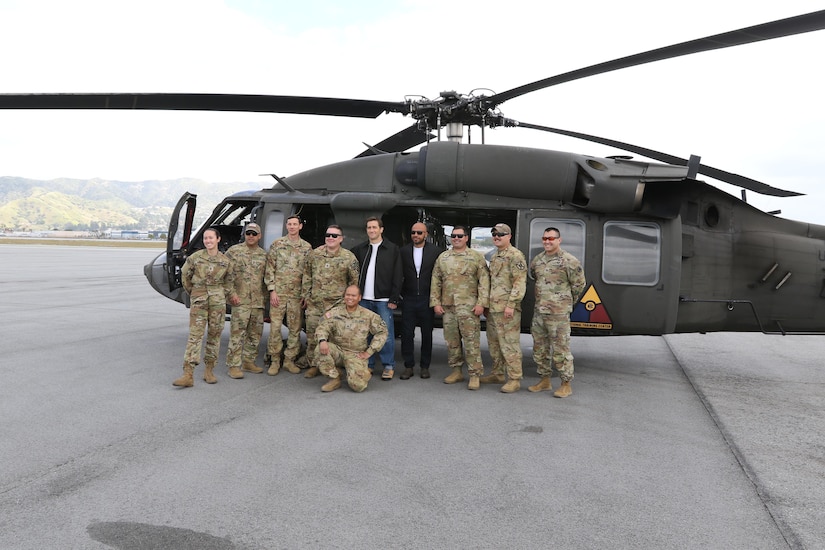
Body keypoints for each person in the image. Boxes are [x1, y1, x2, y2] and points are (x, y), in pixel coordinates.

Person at [173, 227, 237, 388]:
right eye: (205, 238)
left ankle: (209, 370)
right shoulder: (195, 258)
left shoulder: (225, 261)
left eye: (211, 238)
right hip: (199, 301)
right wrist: (195, 293)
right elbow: (185, 277)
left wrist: (226, 295)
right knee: (195, 336)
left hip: (217, 302)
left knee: (215, 335)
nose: (208, 241)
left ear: (218, 239)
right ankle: (188, 374)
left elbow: (228, 283)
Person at [529, 227, 586, 398]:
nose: (547, 241)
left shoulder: (569, 261)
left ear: (559, 240)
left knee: (561, 350)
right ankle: (544, 380)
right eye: (545, 238)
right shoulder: (538, 260)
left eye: (551, 238)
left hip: (558, 314)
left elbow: (579, 285)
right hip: (539, 312)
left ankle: (565, 384)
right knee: (540, 348)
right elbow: (535, 278)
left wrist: (564, 303)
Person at [430, 225, 489, 390]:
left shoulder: (476, 257)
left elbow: (484, 281)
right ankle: (456, 371)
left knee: (471, 342)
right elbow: (436, 280)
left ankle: (474, 374)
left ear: (466, 238)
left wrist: (481, 303)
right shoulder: (443, 257)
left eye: (460, 236)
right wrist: (435, 302)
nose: (456, 238)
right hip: (448, 307)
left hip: (469, 307)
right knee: (452, 341)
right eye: (454, 236)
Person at [301, 224, 360, 378]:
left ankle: (333, 368)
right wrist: (306, 295)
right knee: (313, 335)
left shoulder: (349, 258)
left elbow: (353, 283)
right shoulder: (315, 254)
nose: (330, 238)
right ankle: (314, 364)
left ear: (341, 239)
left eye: (334, 236)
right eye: (328, 235)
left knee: (335, 339)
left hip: (336, 305)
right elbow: (307, 276)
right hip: (315, 304)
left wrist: (350, 303)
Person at [350, 216, 402, 380]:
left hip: (383, 300)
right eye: (369, 228)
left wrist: (394, 298)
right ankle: (368, 364)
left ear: (381, 229)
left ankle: (388, 365)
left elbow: (398, 275)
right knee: (365, 334)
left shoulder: (392, 249)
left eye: (374, 227)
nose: (371, 230)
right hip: (363, 299)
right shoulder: (360, 249)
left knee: (385, 334)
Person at [480, 223, 527, 393]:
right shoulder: (494, 256)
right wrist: (486, 304)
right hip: (493, 309)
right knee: (494, 343)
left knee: (510, 344)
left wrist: (511, 305)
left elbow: (519, 282)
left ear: (509, 236)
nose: (497, 236)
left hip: (507, 310)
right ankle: (497, 373)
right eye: (494, 233)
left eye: (501, 234)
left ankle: (514, 379)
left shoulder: (515, 256)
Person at [314, 285, 388, 393]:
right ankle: (335, 378)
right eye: (347, 295)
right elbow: (322, 327)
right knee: (320, 349)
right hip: (337, 350)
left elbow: (382, 332)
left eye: (353, 295)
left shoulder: (369, 315)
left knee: (358, 386)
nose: (350, 298)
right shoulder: (335, 312)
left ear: (359, 298)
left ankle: (359, 372)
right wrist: (322, 340)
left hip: (356, 354)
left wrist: (369, 352)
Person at [264, 215, 312, 375]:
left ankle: (289, 360)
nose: (292, 227)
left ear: (300, 227)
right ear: (286, 226)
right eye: (289, 224)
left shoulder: (306, 248)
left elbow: (308, 273)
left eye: (295, 224)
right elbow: (270, 268)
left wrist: (305, 294)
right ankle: (275, 360)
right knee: (275, 329)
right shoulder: (277, 245)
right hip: (279, 295)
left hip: (296, 296)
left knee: (295, 329)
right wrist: (272, 290)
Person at [398, 221, 442, 380]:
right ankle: (408, 366)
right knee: (407, 334)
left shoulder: (436, 252)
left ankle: (425, 366)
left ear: (426, 235)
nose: (415, 235)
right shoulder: (403, 251)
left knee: (427, 334)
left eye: (419, 233)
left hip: (427, 298)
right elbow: (397, 274)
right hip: (409, 298)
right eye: (413, 232)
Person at [224, 222, 268, 378]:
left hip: (257, 301)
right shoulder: (234, 252)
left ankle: (249, 362)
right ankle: (234, 366)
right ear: (244, 234)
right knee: (237, 334)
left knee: (255, 334)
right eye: (248, 233)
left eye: (254, 234)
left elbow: (267, 278)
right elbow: (225, 275)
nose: (251, 236)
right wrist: (231, 294)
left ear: (259, 236)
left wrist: (266, 297)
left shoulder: (263, 255)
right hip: (240, 301)